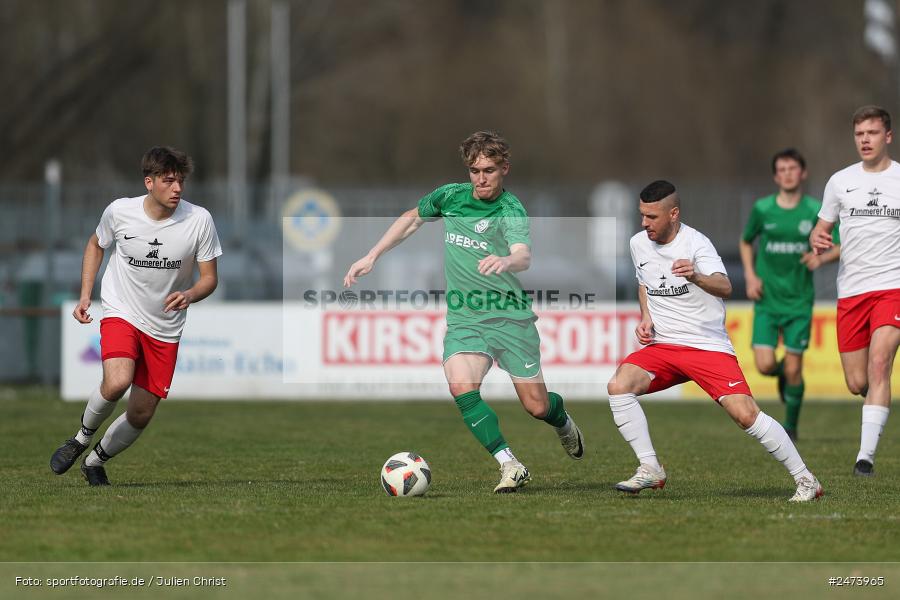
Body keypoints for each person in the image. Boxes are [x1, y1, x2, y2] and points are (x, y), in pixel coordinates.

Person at [344, 131, 584, 493]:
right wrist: (372, 255)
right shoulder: (451, 197)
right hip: (466, 318)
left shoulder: (510, 209)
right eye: (474, 170)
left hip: (510, 318)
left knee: (536, 406)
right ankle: (510, 464)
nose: (481, 178)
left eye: (489, 170)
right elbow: (411, 219)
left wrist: (506, 259)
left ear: (505, 168)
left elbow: (523, 255)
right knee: (461, 386)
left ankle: (562, 421)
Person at [607, 179, 823, 502]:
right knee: (619, 385)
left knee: (746, 415)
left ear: (673, 214)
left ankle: (807, 480)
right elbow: (643, 282)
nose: (644, 223)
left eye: (651, 217)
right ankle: (650, 468)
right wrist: (646, 316)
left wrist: (695, 275)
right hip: (664, 346)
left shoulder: (697, 244)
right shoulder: (638, 243)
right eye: (642, 215)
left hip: (705, 346)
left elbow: (724, 287)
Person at [49, 146, 222, 486]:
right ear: (149, 182)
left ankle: (95, 461)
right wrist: (85, 294)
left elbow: (210, 278)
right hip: (121, 310)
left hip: (165, 326)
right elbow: (97, 244)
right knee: (116, 381)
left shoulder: (199, 220)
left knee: (141, 413)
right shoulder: (120, 212)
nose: (177, 189)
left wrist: (189, 294)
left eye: (181, 181)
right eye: (169, 181)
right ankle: (81, 438)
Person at [810, 105, 900, 477]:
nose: (865, 140)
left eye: (872, 133)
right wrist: (818, 237)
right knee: (857, 382)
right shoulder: (839, 181)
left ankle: (865, 457)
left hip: (892, 288)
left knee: (880, 364)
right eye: (859, 134)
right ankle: (874, 407)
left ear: (888, 136)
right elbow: (821, 229)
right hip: (851, 293)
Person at [739, 149, 840, 441]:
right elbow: (746, 242)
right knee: (765, 365)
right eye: (782, 169)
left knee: (795, 367)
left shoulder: (814, 211)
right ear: (775, 176)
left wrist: (821, 258)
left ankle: (792, 427)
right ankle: (784, 376)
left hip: (799, 300)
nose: (787, 173)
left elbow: (842, 243)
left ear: (802, 173)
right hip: (767, 299)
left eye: (793, 168)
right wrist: (750, 275)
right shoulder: (763, 209)